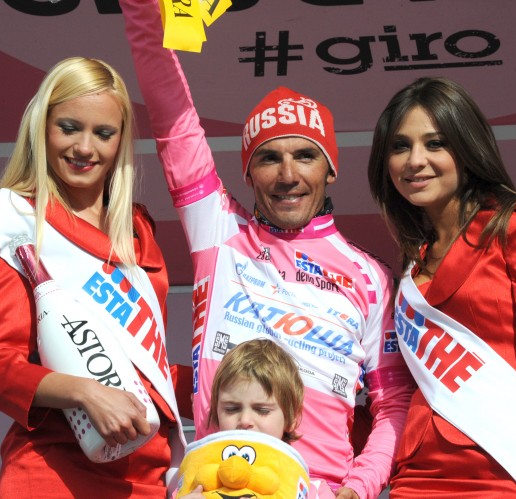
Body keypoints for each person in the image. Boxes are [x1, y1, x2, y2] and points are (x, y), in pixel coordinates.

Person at [119, 1, 415, 498]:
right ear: (248, 172)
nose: (288, 175)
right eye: (270, 158)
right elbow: (172, 118)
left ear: (330, 169)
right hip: (215, 482)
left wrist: (356, 490)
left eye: (305, 155)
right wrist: (143, 11)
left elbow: (394, 404)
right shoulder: (220, 231)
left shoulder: (371, 278)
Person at [0, 56, 189, 498]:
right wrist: (86, 393)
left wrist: (225, 380)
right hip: (54, 474)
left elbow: (145, 371)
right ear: (42, 128)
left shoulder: (137, 229)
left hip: (150, 477)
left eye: (104, 133)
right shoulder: (13, 220)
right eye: (69, 128)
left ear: (121, 140)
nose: (85, 147)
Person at [367, 76, 516, 498]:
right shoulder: (413, 260)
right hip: (417, 480)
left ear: (467, 147)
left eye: (435, 144)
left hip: (506, 476)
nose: (415, 160)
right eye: (400, 146)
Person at [179, 338, 312, 498]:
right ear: (216, 413)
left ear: (292, 419)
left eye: (262, 410)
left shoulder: (310, 487)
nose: (245, 420)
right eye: (231, 409)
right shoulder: (195, 469)